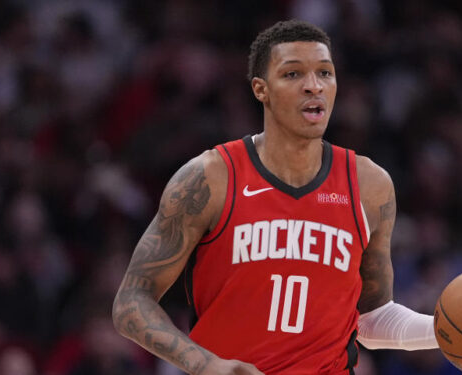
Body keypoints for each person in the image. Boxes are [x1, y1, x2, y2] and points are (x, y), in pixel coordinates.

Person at [112, 20, 439, 375]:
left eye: (325, 73)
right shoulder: (210, 177)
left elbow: (372, 319)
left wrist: (443, 331)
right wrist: (206, 364)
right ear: (261, 89)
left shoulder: (370, 184)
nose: (313, 86)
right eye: (293, 74)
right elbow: (131, 300)